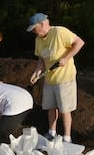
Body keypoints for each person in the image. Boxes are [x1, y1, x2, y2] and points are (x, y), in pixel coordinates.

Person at [27, 13, 85, 143]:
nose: (34, 32)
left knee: (64, 109)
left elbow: (79, 42)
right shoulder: (38, 40)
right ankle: (52, 132)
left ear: (42, 24)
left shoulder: (59, 32)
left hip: (65, 78)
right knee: (50, 107)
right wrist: (36, 72)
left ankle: (67, 137)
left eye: (34, 29)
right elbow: (41, 59)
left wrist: (66, 58)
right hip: (49, 79)